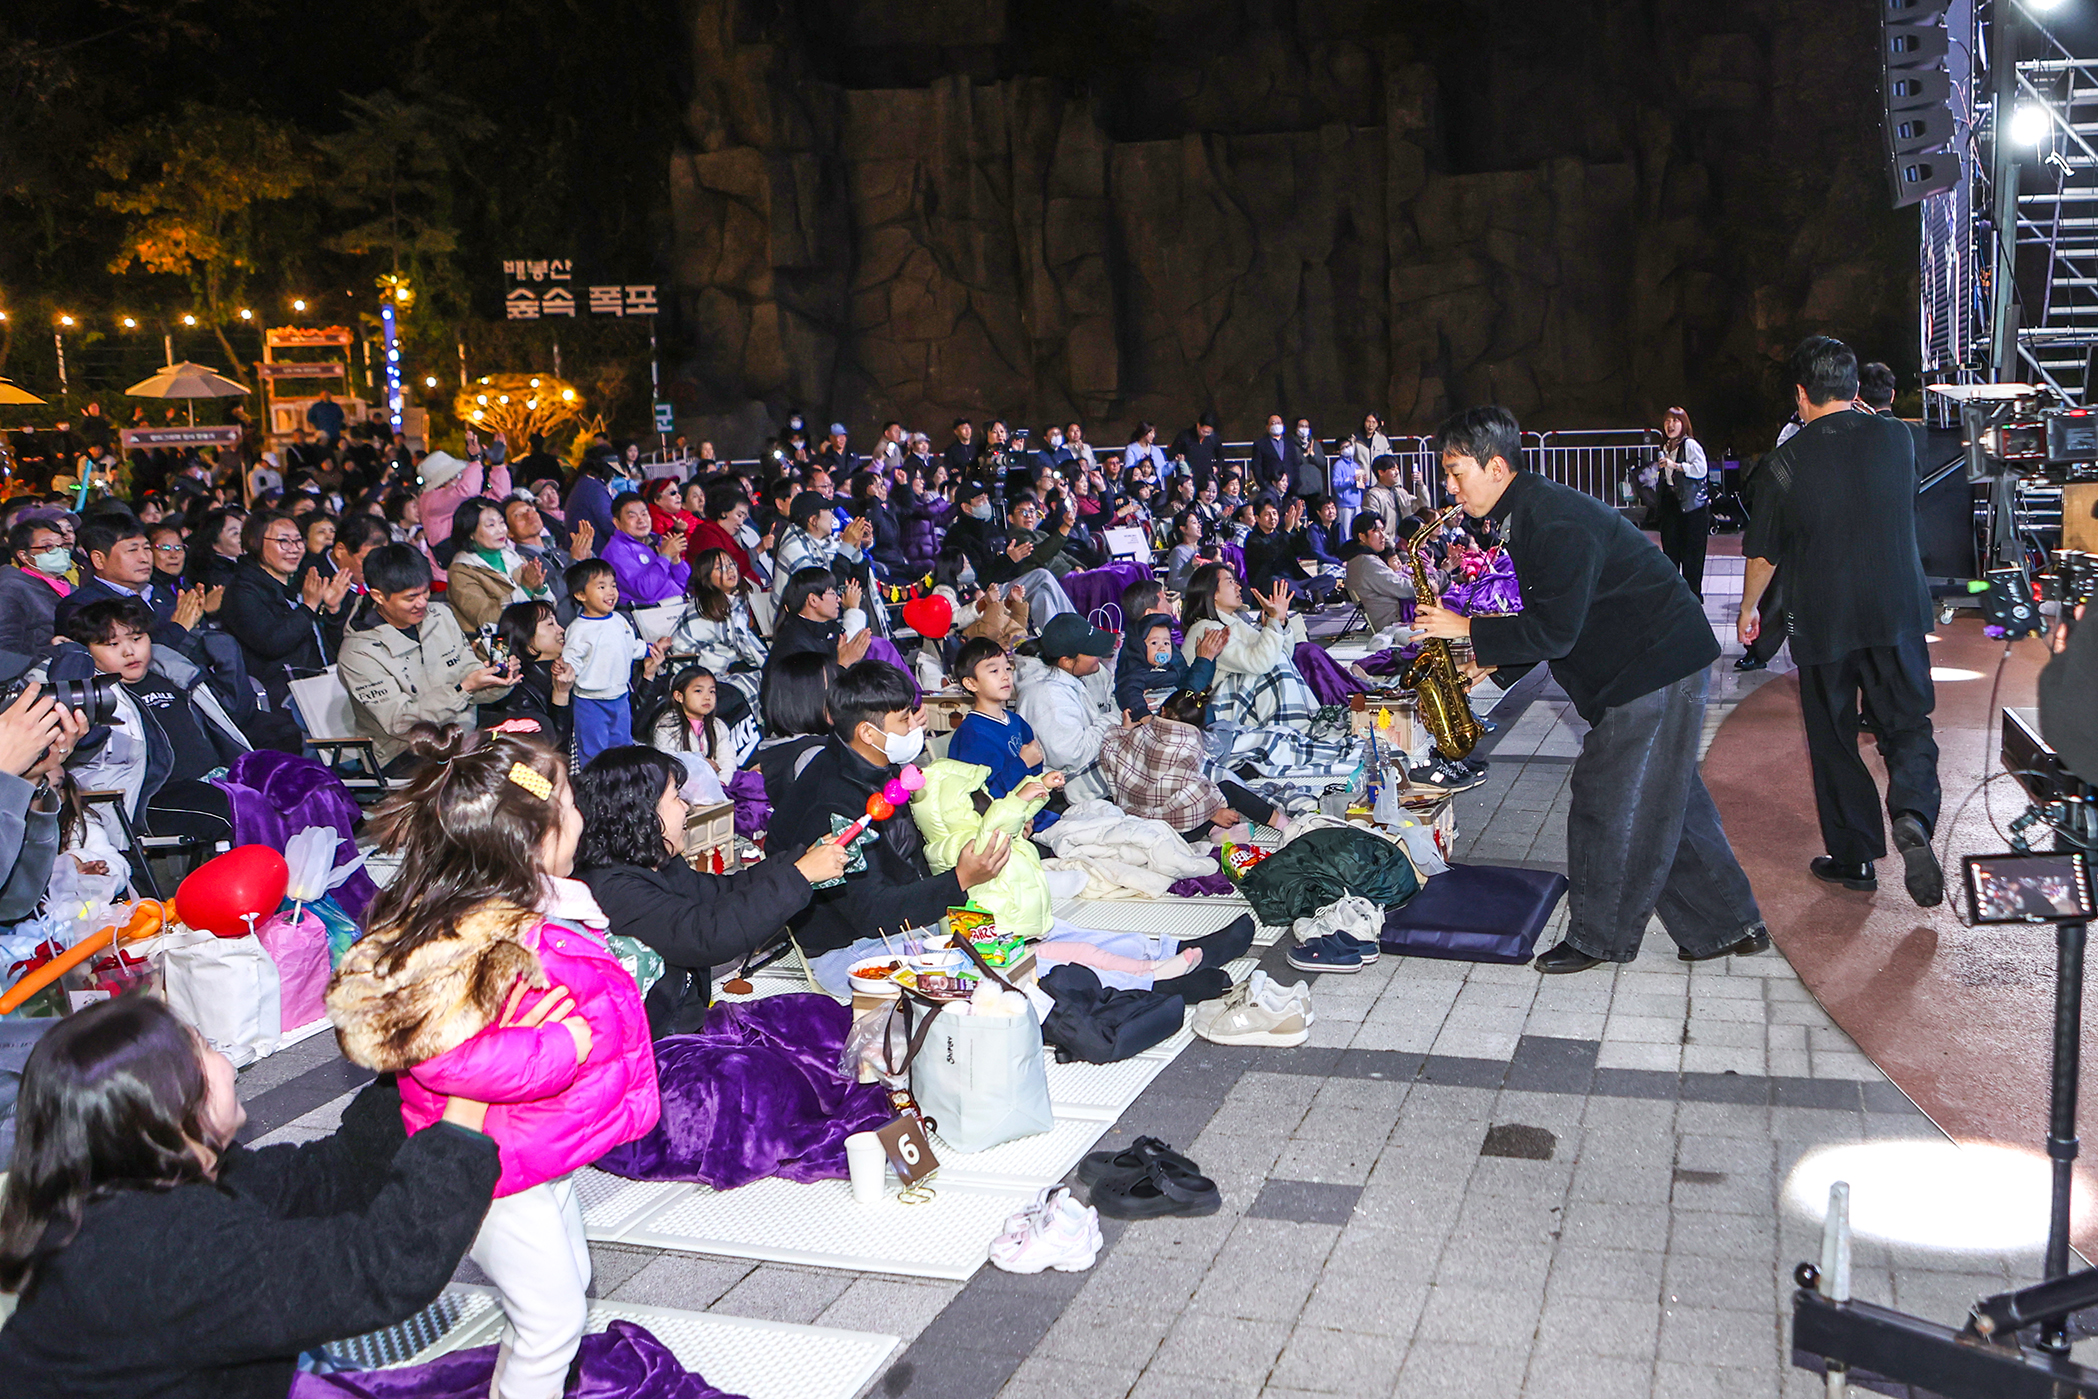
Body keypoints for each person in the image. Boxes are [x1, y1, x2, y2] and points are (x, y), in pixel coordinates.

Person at [327, 728, 656, 1399]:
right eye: (569, 801)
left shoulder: (531, 902)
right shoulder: (465, 934)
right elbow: (443, 1055)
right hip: (492, 1164)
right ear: (531, 837)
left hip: (537, 1146)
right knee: (553, 1319)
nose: (583, 816)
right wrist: (560, 1047)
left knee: (564, 1293)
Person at [0, 996, 501, 1399]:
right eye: (205, 1048)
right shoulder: (160, 1249)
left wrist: (417, 1070)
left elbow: (333, 1174)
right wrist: (465, 1107)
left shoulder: (145, 1181)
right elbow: (379, 1268)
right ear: (170, 1104)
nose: (225, 1061)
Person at [1415, 405, 1766, 972]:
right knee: (1669, 802)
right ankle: (1730, 925)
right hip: (1655, 662)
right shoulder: (1531, 510)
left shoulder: (1552, 520)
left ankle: (1599, 938)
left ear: (1497, 467)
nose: (1448, 486)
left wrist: (1469, 630)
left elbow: (1556, 628)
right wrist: (1493, 666)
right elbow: (1556, 610)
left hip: (1654, 668)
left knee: (1608, 799)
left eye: (1456, 472)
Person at [1738, 336, 1944, 906]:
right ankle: (1913, 814)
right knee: (1907, 724)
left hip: (1822, 619)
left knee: (1833, 738)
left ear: (1802, 394)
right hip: (1897, 609)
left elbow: (1764, 554)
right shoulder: (1898, 437)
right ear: (1855, 388)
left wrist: (1750, 608)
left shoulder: (1786, 462)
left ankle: (1854, 858)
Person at [574, 746, 846, 1036]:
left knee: (823, 1017)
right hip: (662, 1044)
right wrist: (800, 876)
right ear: (641, 813)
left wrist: (800, 861)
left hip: (689, 1013)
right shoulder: (614, 890)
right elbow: (706, 933)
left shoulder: (653, 860)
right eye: (676, 797)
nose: (687, 807)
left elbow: (721, 891)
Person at [774, 659, 1013, 955]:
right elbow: (871, 911)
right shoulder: (835, 803)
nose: (916, 726)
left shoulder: (871, 763)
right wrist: (960, 878)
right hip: (850, 944)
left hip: (897, 916)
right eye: (904, 719)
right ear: (867, 733)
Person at [56, 598, 247, 857]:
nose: (129, 652)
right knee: (235, 810)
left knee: (290, 791)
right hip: (149, 797)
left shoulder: (173, 674)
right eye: (112, 644)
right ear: (87, 650)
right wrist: (74, 662)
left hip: (215, 778)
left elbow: (236, 715)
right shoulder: (93, 695)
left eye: (137, 639)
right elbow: (88, 741)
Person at [338, 545, 517, 773]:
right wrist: (462, 690)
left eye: (425, 592)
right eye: (411, 597)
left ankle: (551, 805)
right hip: (406, 750)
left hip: (460, 730)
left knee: (533, 731)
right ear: (378, 596)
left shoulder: (440, 615)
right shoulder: (359, 652)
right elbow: (399, 723)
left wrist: (495, 680)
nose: (422, 603)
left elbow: (468, 672)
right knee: (490, 770)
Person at [1098, 687, 1284, 843]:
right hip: (1177, 831)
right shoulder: (1188, 746)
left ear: (1163, 711)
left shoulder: (1140, 733)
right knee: (1226, 789)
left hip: (1139, 821)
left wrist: (1124, 730)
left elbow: (1111, 753)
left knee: (1203, 793)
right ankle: (1285, 826)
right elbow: (1190, 791)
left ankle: (1215, 832)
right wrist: (1212, 811)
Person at [217, 510, 351, 710]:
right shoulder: (241, 591)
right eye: (284, 541)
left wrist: (333, 611)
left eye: (298, 541)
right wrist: (309, 607)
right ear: (255, 542)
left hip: (323, 686)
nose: (294, 549)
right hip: (281, 701)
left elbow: (336, 648)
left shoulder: (303, 581)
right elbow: (272, 642)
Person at [564, 557, 668, 767]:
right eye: (601, 587)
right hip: (590, 701)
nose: (610, 592)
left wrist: (652, 648)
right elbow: (571, 660)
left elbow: (632, 646)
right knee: (594, 754)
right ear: (580, 595)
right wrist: (565, 670)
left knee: (623, 748)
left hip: (620, 697)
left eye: (613, 585)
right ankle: (596, 791)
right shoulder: (579, 629)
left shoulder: (620, 620)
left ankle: (623, 786)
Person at [1014, 613, 1122, 802]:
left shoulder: (1086, 672)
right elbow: (1072, 756)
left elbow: (1111, 696)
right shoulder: (1046, 697)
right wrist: (1116, 720)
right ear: (1066, 660)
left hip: (1097, 783)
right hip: (1066, 798)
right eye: (1091, 651)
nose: (1099, 655)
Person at [668, 547, 769, 722]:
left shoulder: (735, 601)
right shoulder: (702, 608)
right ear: (706, 577)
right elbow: (679, 647)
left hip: (731, 667)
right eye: (720, 568)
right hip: (706, 677)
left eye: (731, 564)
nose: (730, 570)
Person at [945, 637, 1044, 799]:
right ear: (971, 684)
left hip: (1033, 809)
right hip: (1001, 818)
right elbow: (983, 796)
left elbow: (1035, 771)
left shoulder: (1016, 721)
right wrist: (1022, 764)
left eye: (1007, 668)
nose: (1005, 676)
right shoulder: (971, 737)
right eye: (994, 671)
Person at [477, 599, 576, 756]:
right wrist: (561, 696)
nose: (561, 630)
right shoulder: (518, 689)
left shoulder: (562, 670)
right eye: (550, 624)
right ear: (528, 638)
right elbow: (551, 752)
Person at [443, 496, 556, 633]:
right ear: (470, 533)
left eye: (502, 522)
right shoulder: (461, 572)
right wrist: (525, 589)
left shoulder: (514, 558)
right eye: (491, 525)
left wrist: (540, 589)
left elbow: (551, 608)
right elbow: (484, 617)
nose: (500, 530)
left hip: (533, 637)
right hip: (500, 647)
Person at [1649, 406, 1712, 599]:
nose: (1670, 425)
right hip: (1671, 501)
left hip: (1692, 505)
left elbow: (1702, 470)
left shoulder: (1690, 445)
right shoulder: (1666, 446)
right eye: (1667, 421)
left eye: (1675, 421)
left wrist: (1676, 466)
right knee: (1670, 549)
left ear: (1684, 424)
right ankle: (1673, 594)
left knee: (1692, 552)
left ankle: (1692, 595)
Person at [1115, 612, 1223, 719]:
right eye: (1154, 643)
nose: (1162, 648)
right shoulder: (1134, 672)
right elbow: (1129, 692)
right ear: (1139, 647)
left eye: (1166, 643)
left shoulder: (1174, 667)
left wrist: (1209, 659)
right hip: (1156, 720)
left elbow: (1195, 683)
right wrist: (1143, 715)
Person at [648, 665, 745, 780]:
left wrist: (722, 784)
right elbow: (669, 759)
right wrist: (702, 763)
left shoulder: (718, 726)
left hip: (714, 787)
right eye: (698, 691)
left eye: (712, 691)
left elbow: (727, 759)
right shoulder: (667, 725)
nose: (707, 697)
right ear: (679, 696)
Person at [601, 491, 690, 608]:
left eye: (644, 514)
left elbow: (684, 583)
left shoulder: (656, 540)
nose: (641, 520)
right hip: (649, 615)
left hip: (677, 606)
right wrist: (665, 557)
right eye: (632, 516)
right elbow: (644, 591)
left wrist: (675, 561)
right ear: (617, 523)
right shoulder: (617, 550)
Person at [0, 517, 73, 655]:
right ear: (24, 556)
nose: (59, 552)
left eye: (62, 546)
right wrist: (53, 651)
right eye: (48, 546)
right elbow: (5, 648)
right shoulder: (10, 589)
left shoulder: (71, 588)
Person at [1342, 514, 1416, 632]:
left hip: (1391, 616)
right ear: (1362, 536)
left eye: (1383, 530)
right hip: (1394, 622)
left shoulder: (1360, 559)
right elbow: (1403, 588)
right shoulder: (1367, 562)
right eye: (1376, 531)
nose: (1383, 536)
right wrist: (1428, 584)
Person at [1169, 414, 1223, 490]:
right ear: (1198, 425)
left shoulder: (1213, 438)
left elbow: (1221, 455)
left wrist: (1216, 467)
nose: (1206, 434)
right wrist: (1179, 460)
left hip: (1206, 477)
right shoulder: (1185, 436)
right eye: (1204, 431)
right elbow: (1172, 454)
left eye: (1208, 432)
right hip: (1189, 476)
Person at [1287, 417, 1328, 499]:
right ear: (1296, 428)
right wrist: (1305, 455)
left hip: (1315, 488)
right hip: (1298, 489)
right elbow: (1291, 462)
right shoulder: (1290, 444)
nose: (1304, 429)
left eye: (1306, 426)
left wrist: (1312, 455)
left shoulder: (1315, 444)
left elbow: (1322, 462)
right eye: (1301, 426)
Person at [1251, 414, 1290, 494]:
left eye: (1279, 423)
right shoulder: (1260, 444)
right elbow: (1256, 466)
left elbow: (1294, 464)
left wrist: (1291, 482)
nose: (1276, 425)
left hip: (1288, 488)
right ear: (1267, 427)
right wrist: (1263, 484)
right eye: (1273, 423)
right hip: (1269, 488)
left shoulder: (1290, 443)